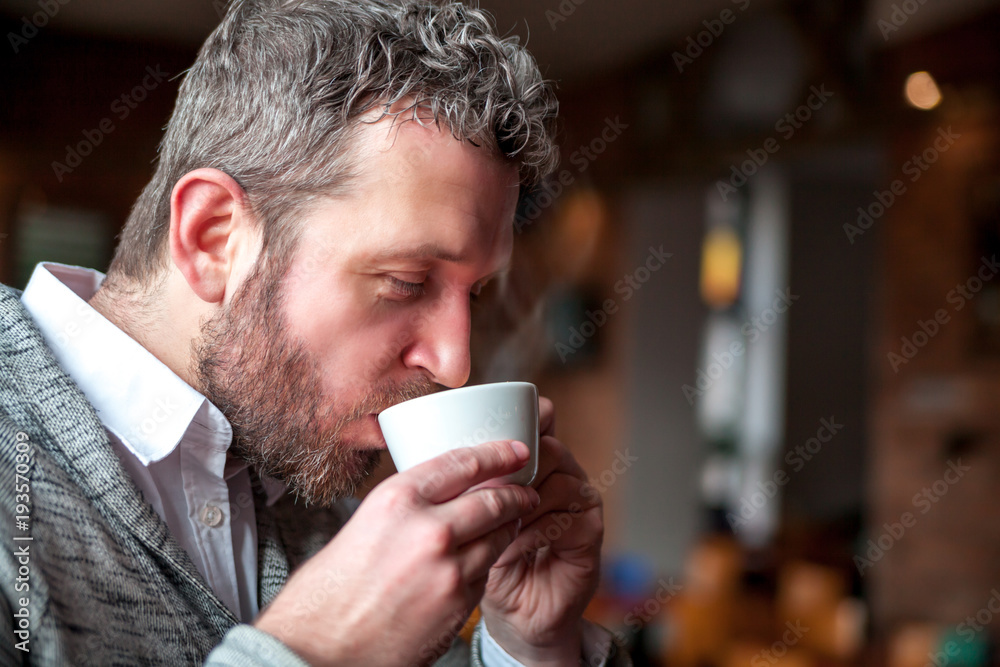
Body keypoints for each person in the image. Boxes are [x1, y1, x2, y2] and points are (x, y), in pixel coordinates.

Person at [0, 0, 630, 665]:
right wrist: (308, 651)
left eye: (472, 292)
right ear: (213, 237)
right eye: (407, 282)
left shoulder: (308, 476)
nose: (455, 361)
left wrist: (530, 643)